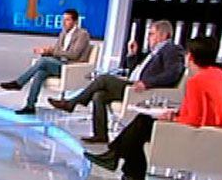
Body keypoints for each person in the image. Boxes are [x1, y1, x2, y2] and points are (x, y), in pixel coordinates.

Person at [84, 36, 222, 180]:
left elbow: (194, 121)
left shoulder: (196, 82)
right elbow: (203, 110)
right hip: (213, 131)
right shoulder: (219, 74)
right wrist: (175, 114)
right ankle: (123, 166)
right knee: (141, 125)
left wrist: (173, 119)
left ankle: (119, 161)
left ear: (190, 57)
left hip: (198, 135)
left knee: (141, 126)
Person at [48, 20, 184, 144]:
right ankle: (100, 135)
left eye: (152, 34)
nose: (149, 37)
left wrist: (147, 83)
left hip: (143, 91)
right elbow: (135, 73)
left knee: (103, 79)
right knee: (99, 96)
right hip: (133, 85)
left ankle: (72, 103)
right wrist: (132, 55)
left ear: (163, 35)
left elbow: (172, 74)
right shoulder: (154, 52)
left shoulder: (171, 49)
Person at [0, 9, 91, 114]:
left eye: (67, 20)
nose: (64, 22)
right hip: (59, 63)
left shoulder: (82, 34)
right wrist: (46, 51)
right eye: (63, 19)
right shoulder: (63, 33)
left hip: (70, 67)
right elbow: (57, 51)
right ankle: (30, 106)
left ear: (75, 21)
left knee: (43, 61)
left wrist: (53, 52)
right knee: (40, 73)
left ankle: (19, 83)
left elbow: (73, 54)